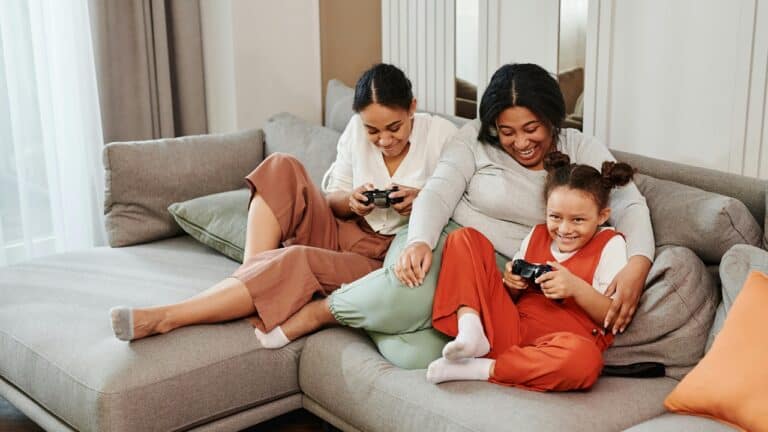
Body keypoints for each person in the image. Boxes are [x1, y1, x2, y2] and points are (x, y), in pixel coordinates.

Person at [253, 63, 654, 369]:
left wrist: (637, 265)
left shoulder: (582, 148)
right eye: (506, 131)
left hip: (499, 271)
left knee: (413, 355)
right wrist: (420, 242)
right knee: (403, 293)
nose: (520, 142)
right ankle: (319, 313)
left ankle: (367, 312)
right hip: (447, 237)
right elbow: (439, 191)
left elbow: (629, 204)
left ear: (553, 118)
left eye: (531, 128)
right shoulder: (473, 140)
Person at [108, 63, 458, 342]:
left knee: (296, 259)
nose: (383, 140)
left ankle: (166, 318)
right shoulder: (355, 129)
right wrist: (351, 202)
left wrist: (422, 200)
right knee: (280, 165)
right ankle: (248, 278)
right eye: (372, 130)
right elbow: (331, 199)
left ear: (412, 107)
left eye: (394, 128)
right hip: (342, 228)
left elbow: (461, 202)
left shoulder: (442, 136)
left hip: (377, 258)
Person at [425, 152, 633, 391]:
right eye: (555, 217)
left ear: (602, 216)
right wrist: (512, 285)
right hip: (511, 329)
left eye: (577, 220)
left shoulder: (610, 243)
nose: (564, 229)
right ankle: (470, 329)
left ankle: (483, 369)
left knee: (585, 361)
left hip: (557, 347)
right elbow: (510, 296)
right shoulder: (537, 234)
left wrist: (575, 287)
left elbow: (613, 315)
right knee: (464, 238)